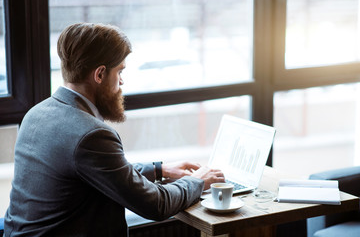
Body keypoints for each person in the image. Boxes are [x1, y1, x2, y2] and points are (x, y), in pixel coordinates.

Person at [4, 23, 225, 237]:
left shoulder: (36, 113)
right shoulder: (90, 134)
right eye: (119, 71)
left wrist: (160, 170)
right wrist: (197, 180)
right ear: (100, 74)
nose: (122, 81)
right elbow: (156, 205)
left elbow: (98, 171)